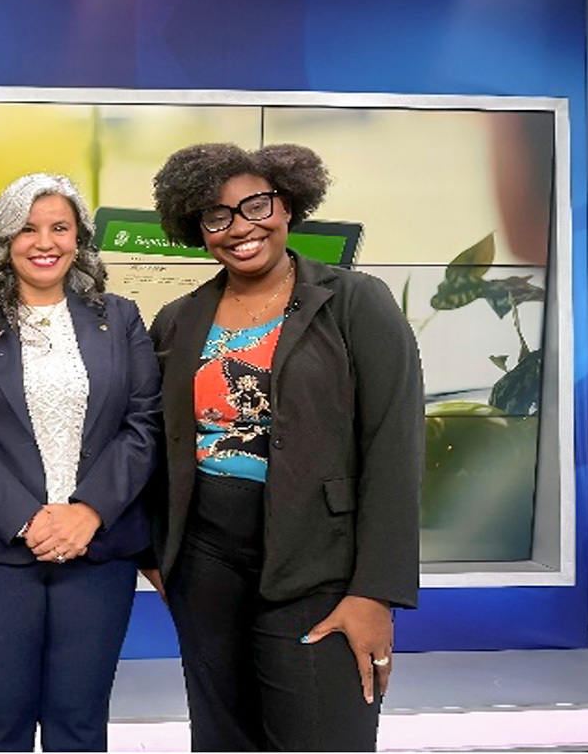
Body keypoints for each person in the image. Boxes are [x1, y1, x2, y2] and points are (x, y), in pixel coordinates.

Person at [144, 143, 424, 752]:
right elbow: (154, 440)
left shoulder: (356, 302)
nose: (240, 227)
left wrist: (374, 592)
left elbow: (394, 449)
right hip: (204, 563)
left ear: (288, 204)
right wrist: (155, 553)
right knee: (223, 740)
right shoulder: (177, 319)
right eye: (217, 216)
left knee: (322, 738)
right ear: (197, 228)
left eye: (256, 205)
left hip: (320, 562)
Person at [0, 173, 162, 752]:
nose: (44, 242)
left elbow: (144, 425)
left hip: (97, 550)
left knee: (80, 722)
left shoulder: (120, 317)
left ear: (79, 238)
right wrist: (29, 518)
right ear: (3, 237)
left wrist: (88, 512)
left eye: (60, 228)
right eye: (27, 229)